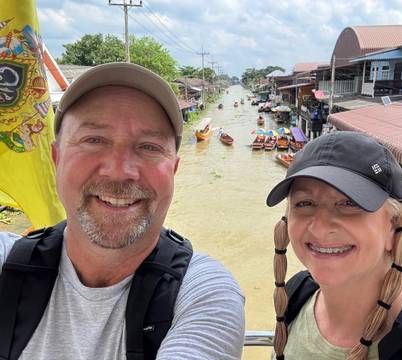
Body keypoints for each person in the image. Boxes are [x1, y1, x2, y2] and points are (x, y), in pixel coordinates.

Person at [0, 63, 245, 360]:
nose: (119, 171)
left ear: (174, 170)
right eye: (94, 140)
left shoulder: (204, 294)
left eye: (149, 147)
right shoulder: (7, 263)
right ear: (57, 158)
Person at [266, 131, 402, 360]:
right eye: (304, 203)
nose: (319, 228)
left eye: (349, 203)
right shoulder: (297, 297)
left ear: (394, 227)